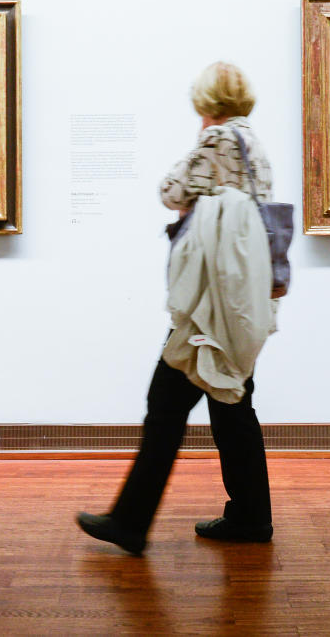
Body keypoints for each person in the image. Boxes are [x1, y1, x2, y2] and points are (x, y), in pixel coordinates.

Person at [77, 61, 277, 556]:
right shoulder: (257, 147)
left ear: (206, 102)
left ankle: (129, 521)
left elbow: (172, 191)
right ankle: (251, 516)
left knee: (165, 407)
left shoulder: (217, 141)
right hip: (240, 301)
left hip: (207, 306)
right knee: (233, 405)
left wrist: (201, 140)